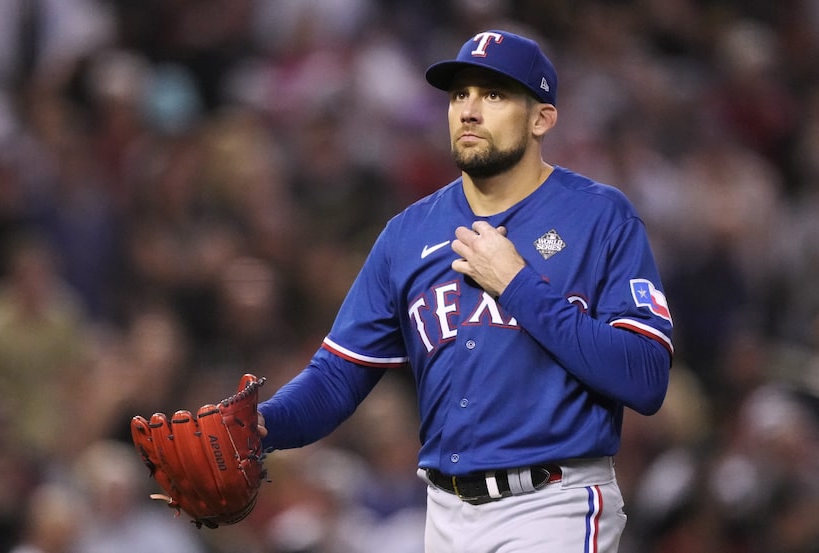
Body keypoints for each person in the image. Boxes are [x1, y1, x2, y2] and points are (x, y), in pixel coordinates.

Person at [257, 29, 674, 552]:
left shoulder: (598, 216)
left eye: (494, 95)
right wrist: (257, 428)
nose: (469, 111)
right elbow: (337, 376)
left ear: (541, 118)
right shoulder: (407, 234)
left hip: (554, 503)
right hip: (445, 514)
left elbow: (645, 375)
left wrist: (518, 285)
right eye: (460, 95)